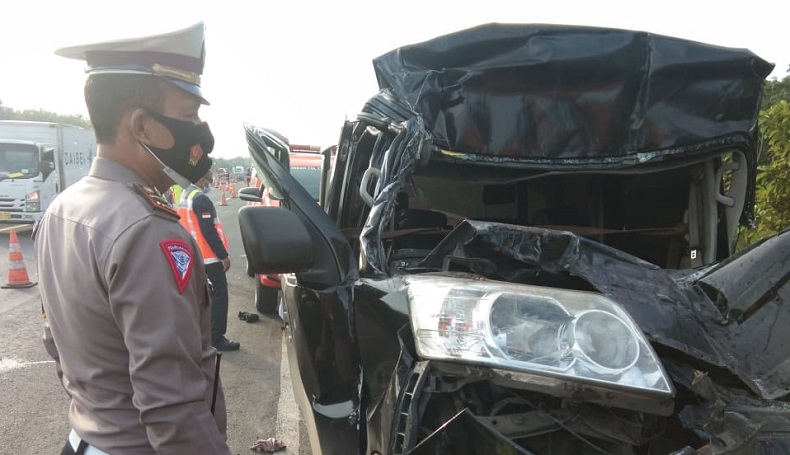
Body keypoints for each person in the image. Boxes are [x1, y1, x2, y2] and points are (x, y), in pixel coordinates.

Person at [33, 23, 233, 455]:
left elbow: (57, 346)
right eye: (188, 116)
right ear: (141, 125)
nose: (200, 131)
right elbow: (173, 408)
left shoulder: (60, 210)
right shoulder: (148, 230)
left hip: (85, 439)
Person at [178, 170, 240, 351]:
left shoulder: (185, 195)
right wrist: (223, 255)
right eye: (208, 181)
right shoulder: (201, 199)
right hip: (208, 257)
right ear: (200, 178)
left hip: (192, 255)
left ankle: (197, 336)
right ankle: (216, 338)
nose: (210, 185)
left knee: (198, 297)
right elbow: (209, 231)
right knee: (219, 296)